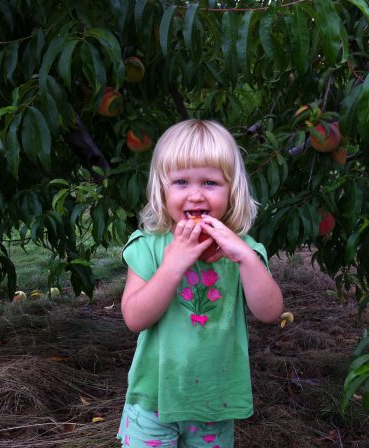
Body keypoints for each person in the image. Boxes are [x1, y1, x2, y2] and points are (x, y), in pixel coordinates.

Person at [117, 119, 283, 448]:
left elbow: (270, 312)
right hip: (152, 399)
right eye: (180, 182)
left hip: (213, 402)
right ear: (162, 190)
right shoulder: (149, 245)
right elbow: (134, 318)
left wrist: (246, 257)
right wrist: (172, 265)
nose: (196, 194)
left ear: (232, 189)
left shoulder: (240, 249)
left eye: (210, 182)